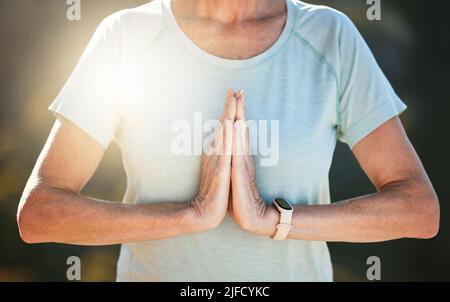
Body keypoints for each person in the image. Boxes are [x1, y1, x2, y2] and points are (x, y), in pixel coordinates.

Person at [17, 0, 439, 282]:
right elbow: (40, 214)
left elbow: (418, 210)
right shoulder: (126, 35)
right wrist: (191, 215)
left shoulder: (331, 36)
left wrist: (271, 219)